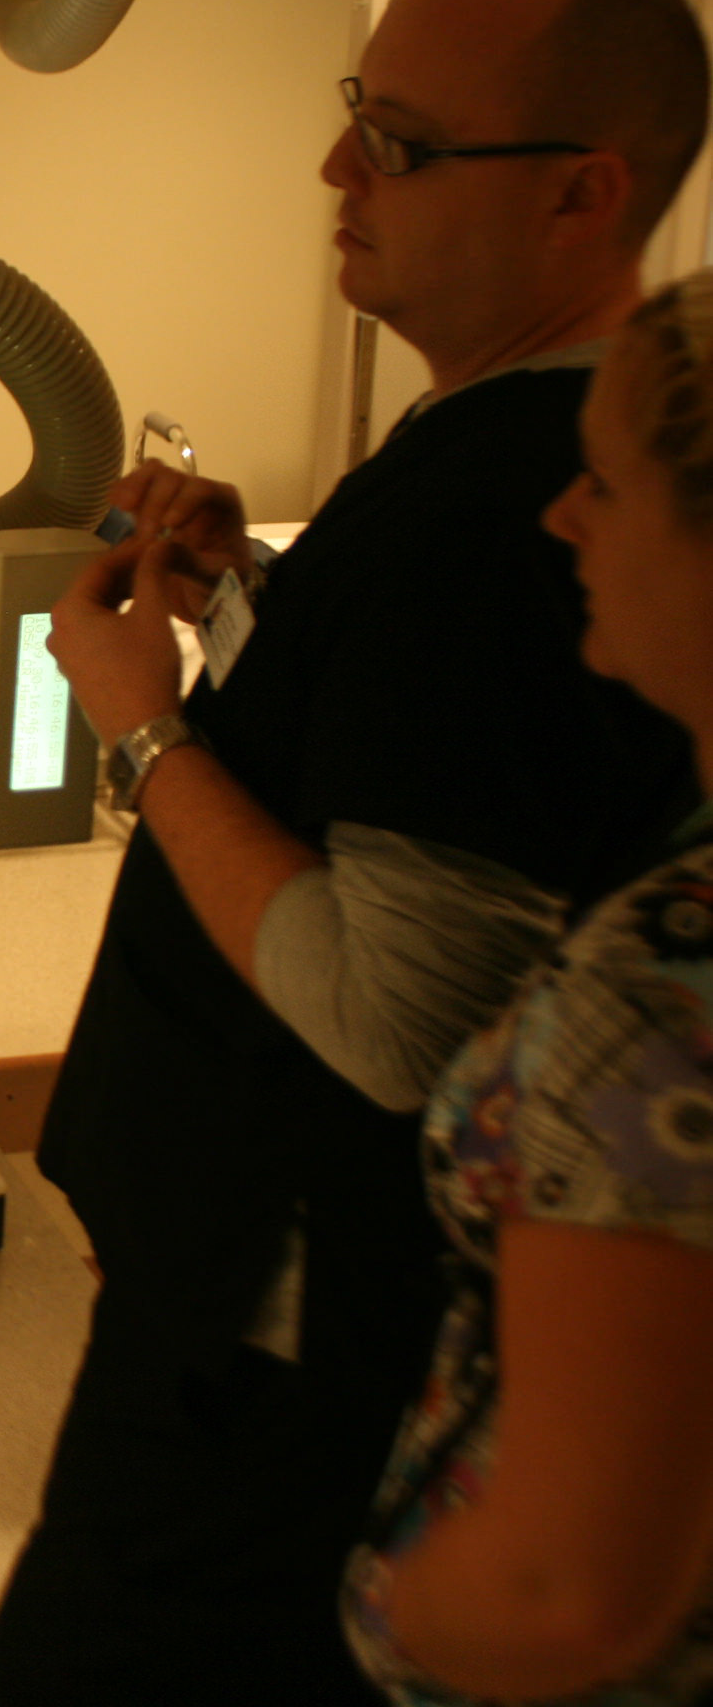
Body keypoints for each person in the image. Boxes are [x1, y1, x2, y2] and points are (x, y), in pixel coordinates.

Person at [0, 0, 710, 1706]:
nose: (335, 174)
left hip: (277, 1349)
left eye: (398, 139)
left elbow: (389, 1009)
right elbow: (398, 769)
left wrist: (144, 727)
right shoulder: (478, 465)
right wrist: (255, 609)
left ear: (582, 194)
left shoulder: (489, 529)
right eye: (350, 120)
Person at [339, 267, 713, 1702]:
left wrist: (397, 1617)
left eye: (606, 487)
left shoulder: (655, 1013)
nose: (562, 517)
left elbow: (566, 1601)